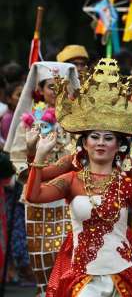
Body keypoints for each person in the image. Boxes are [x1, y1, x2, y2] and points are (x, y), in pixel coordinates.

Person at [23, 59, 132, 295]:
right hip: (82, 275)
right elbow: (34, 195)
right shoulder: (72, 179)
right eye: (94, 137)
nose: (100, 143)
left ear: (119, 145)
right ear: (84, 143)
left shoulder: (127, 184)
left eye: (108, 138)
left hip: (124, 274)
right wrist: (35, 156)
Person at [3, 61, 78, 296]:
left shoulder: (79, 119)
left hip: (70, 193)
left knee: (69, 249)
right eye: (51, 87)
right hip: (38, 191)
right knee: (42, 254)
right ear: (40, 89)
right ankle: (46, 291)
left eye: (62, 87)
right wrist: (28, 168)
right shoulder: (30, 119)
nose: (57, 92)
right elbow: (16, 155)